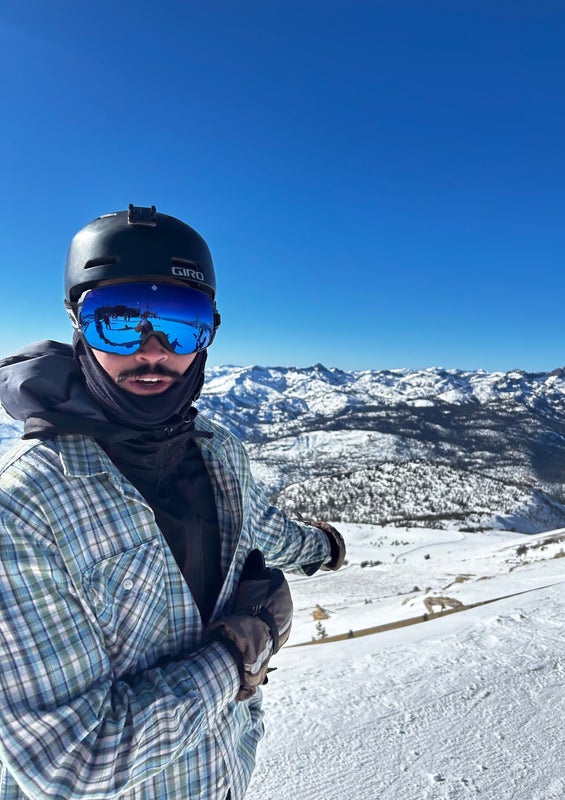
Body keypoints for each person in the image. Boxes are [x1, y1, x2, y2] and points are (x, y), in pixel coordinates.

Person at [0, 204, 346, 800]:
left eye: (182, 323)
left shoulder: (216, 449)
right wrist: (239, 653)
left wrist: (321, 548)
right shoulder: (24, 508)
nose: (154, 350)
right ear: (78, 324)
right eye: (119, 320)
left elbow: (258, 527)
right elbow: (70, 765)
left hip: (222, 774)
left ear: (209, 333)